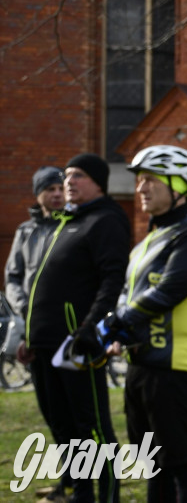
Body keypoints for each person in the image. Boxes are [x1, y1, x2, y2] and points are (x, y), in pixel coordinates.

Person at [99, 144, 187, 503]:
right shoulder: (146, 243)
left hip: (175, 369)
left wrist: (118, 322)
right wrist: (117, 332)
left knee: (183, 465)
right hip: (141, 367)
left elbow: (169, 291)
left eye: (150, 180)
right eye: (139, 181)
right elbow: (127, 295)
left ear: (178, 184)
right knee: (152, 465)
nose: (140, 188)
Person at [23, 153, 131, 503]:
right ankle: (81, 495)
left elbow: (112, 280)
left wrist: (90, 328)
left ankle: (109, 498)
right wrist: (30, 334)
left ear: (99, 183)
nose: (68, 181)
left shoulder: (106, 220)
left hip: (76, 344)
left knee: (95, 429)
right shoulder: (68, 220)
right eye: (67, 175)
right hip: (45, 344)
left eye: (78, 176)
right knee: (66, 428)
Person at [5, 165, 65, 319]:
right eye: (51, 189)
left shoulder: (73, 228)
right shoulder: (25, 231)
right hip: (29, 318)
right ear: (38, 194)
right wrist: (24, 307)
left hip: (64, 317)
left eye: (61, 188)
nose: (58, 194)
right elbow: (12, 277)